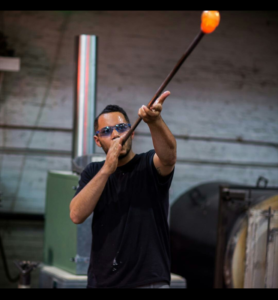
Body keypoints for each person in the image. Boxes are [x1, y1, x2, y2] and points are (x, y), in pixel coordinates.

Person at [69, 90, 177, 288]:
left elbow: (169, 157)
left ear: (132, 132)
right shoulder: (93, 172)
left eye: (121, 127)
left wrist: (155, 121)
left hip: (148, 282)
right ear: (97, 140)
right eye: (107, 131)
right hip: (102, 282)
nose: (116, 134)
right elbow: (76, 214)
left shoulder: (148, 165)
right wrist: (106, 171)